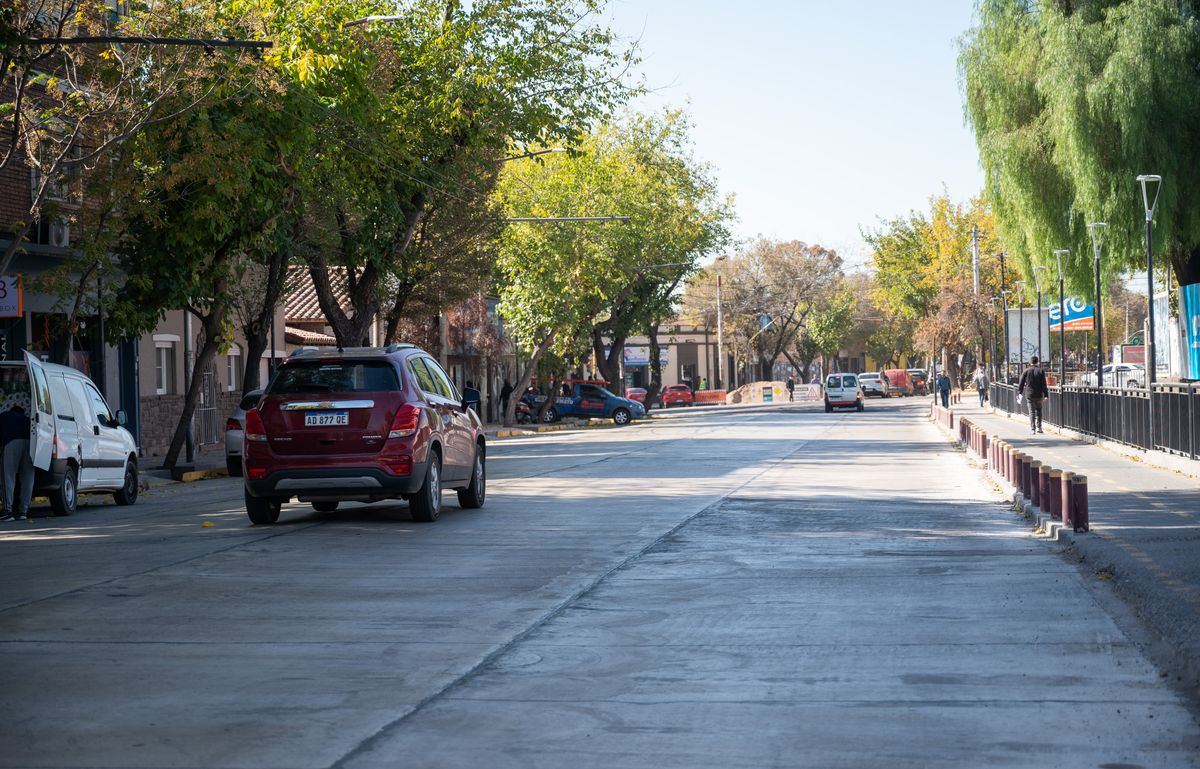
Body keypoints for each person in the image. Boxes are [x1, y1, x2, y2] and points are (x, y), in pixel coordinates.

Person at [0, 404, 35, 521]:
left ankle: (8, 511)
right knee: (27, 478)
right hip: (30, 445)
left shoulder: (5, 416)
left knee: (8, 477)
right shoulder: (27, 420)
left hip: (12, 442)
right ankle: (23, 512)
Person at [1018, 355, 1050, 434]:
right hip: (1039, 394)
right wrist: (1046, 394)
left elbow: (1021, 383)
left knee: (1031, 412)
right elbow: (1044, 384)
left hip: (1029, 394)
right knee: (1039, 411)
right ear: (1037, 362)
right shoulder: (1041, 371)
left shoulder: (1026, 371)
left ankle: (1033, 429)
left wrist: (1020, 392)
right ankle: (1039, 427)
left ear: (1030, 362)